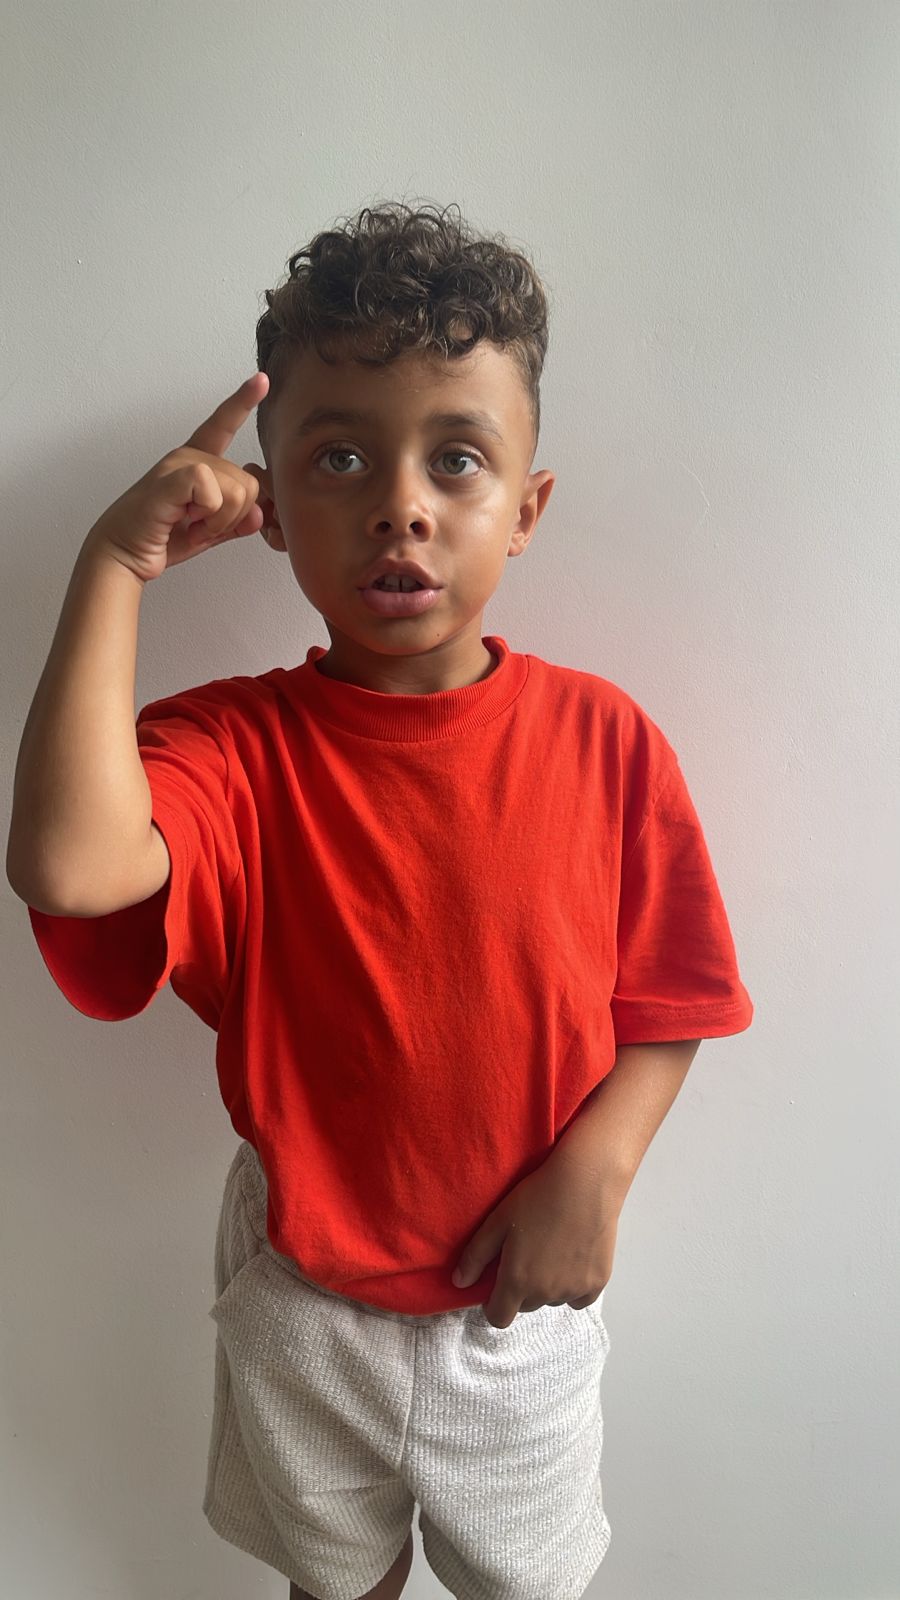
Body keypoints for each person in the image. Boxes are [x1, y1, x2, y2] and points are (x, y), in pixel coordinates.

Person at [6, 201, 754, 1600]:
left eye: (455, 458)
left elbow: (675, 998)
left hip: (517, 1308)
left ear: (525, 511)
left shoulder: (606, 743)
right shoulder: (231, 747)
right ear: (272, 508)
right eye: (340, 457)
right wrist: (114, 565)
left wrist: (595, 1176)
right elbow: (70, 868)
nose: (401, 504)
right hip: (304, 1298)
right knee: (333, 1584)